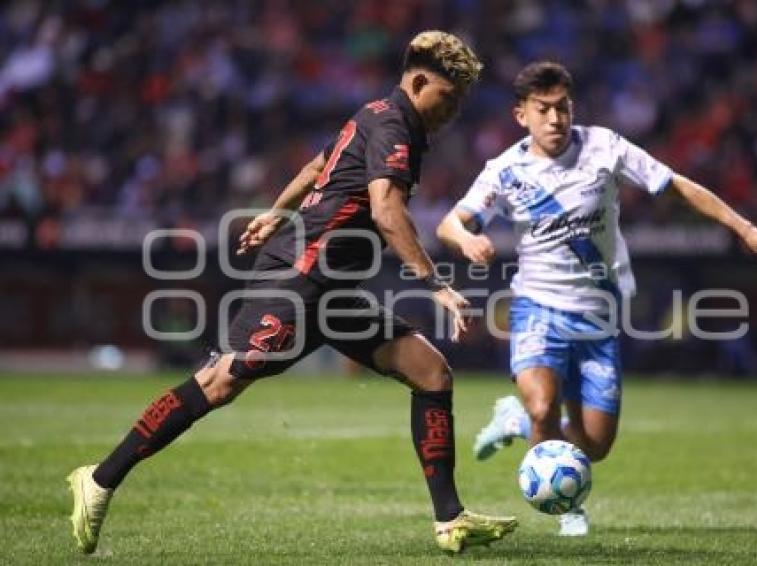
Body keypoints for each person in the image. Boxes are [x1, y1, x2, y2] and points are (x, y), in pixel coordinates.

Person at [67, 31, 517, 556]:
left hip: (333, 288)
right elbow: (387, 213)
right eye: (449, 94)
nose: (455, 108)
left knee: (431, 371)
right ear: (419, 81)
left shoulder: (376, 115)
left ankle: (450, 519)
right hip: (301, 275)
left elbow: (313, 169)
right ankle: (99, 479)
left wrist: (276, 212)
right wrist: (435, 284)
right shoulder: (393, 123)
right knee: (219, 382)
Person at [436, 61, 757, 536]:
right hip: (537, 308)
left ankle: (517, 421)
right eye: (544, 110)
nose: (556, 119)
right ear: (522, 115)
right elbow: (449, 222)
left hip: (598, 315)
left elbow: (675, 184)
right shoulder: (505, 170)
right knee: (544, 406)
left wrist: (744, 228)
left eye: (563, 107)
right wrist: (466, 240)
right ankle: (567, 503)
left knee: (595, 445)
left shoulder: (605, 147)